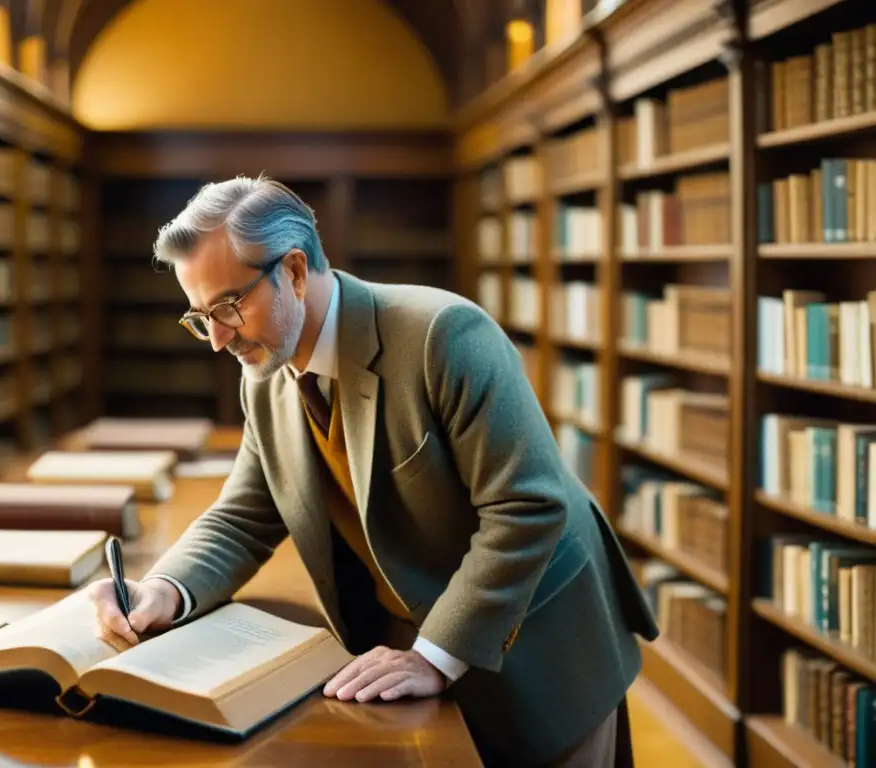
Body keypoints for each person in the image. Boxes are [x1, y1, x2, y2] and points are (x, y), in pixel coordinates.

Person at [87, 174, 660, 767]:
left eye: (229, 306)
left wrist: (434, 655)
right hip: (412, 640)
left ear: (294, 271)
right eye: (200, 316)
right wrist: (164, 589)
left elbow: (529, 506)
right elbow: (246, 514)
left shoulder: (444, 335)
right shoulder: (264, 371)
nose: (216, 339)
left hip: (542, 652)